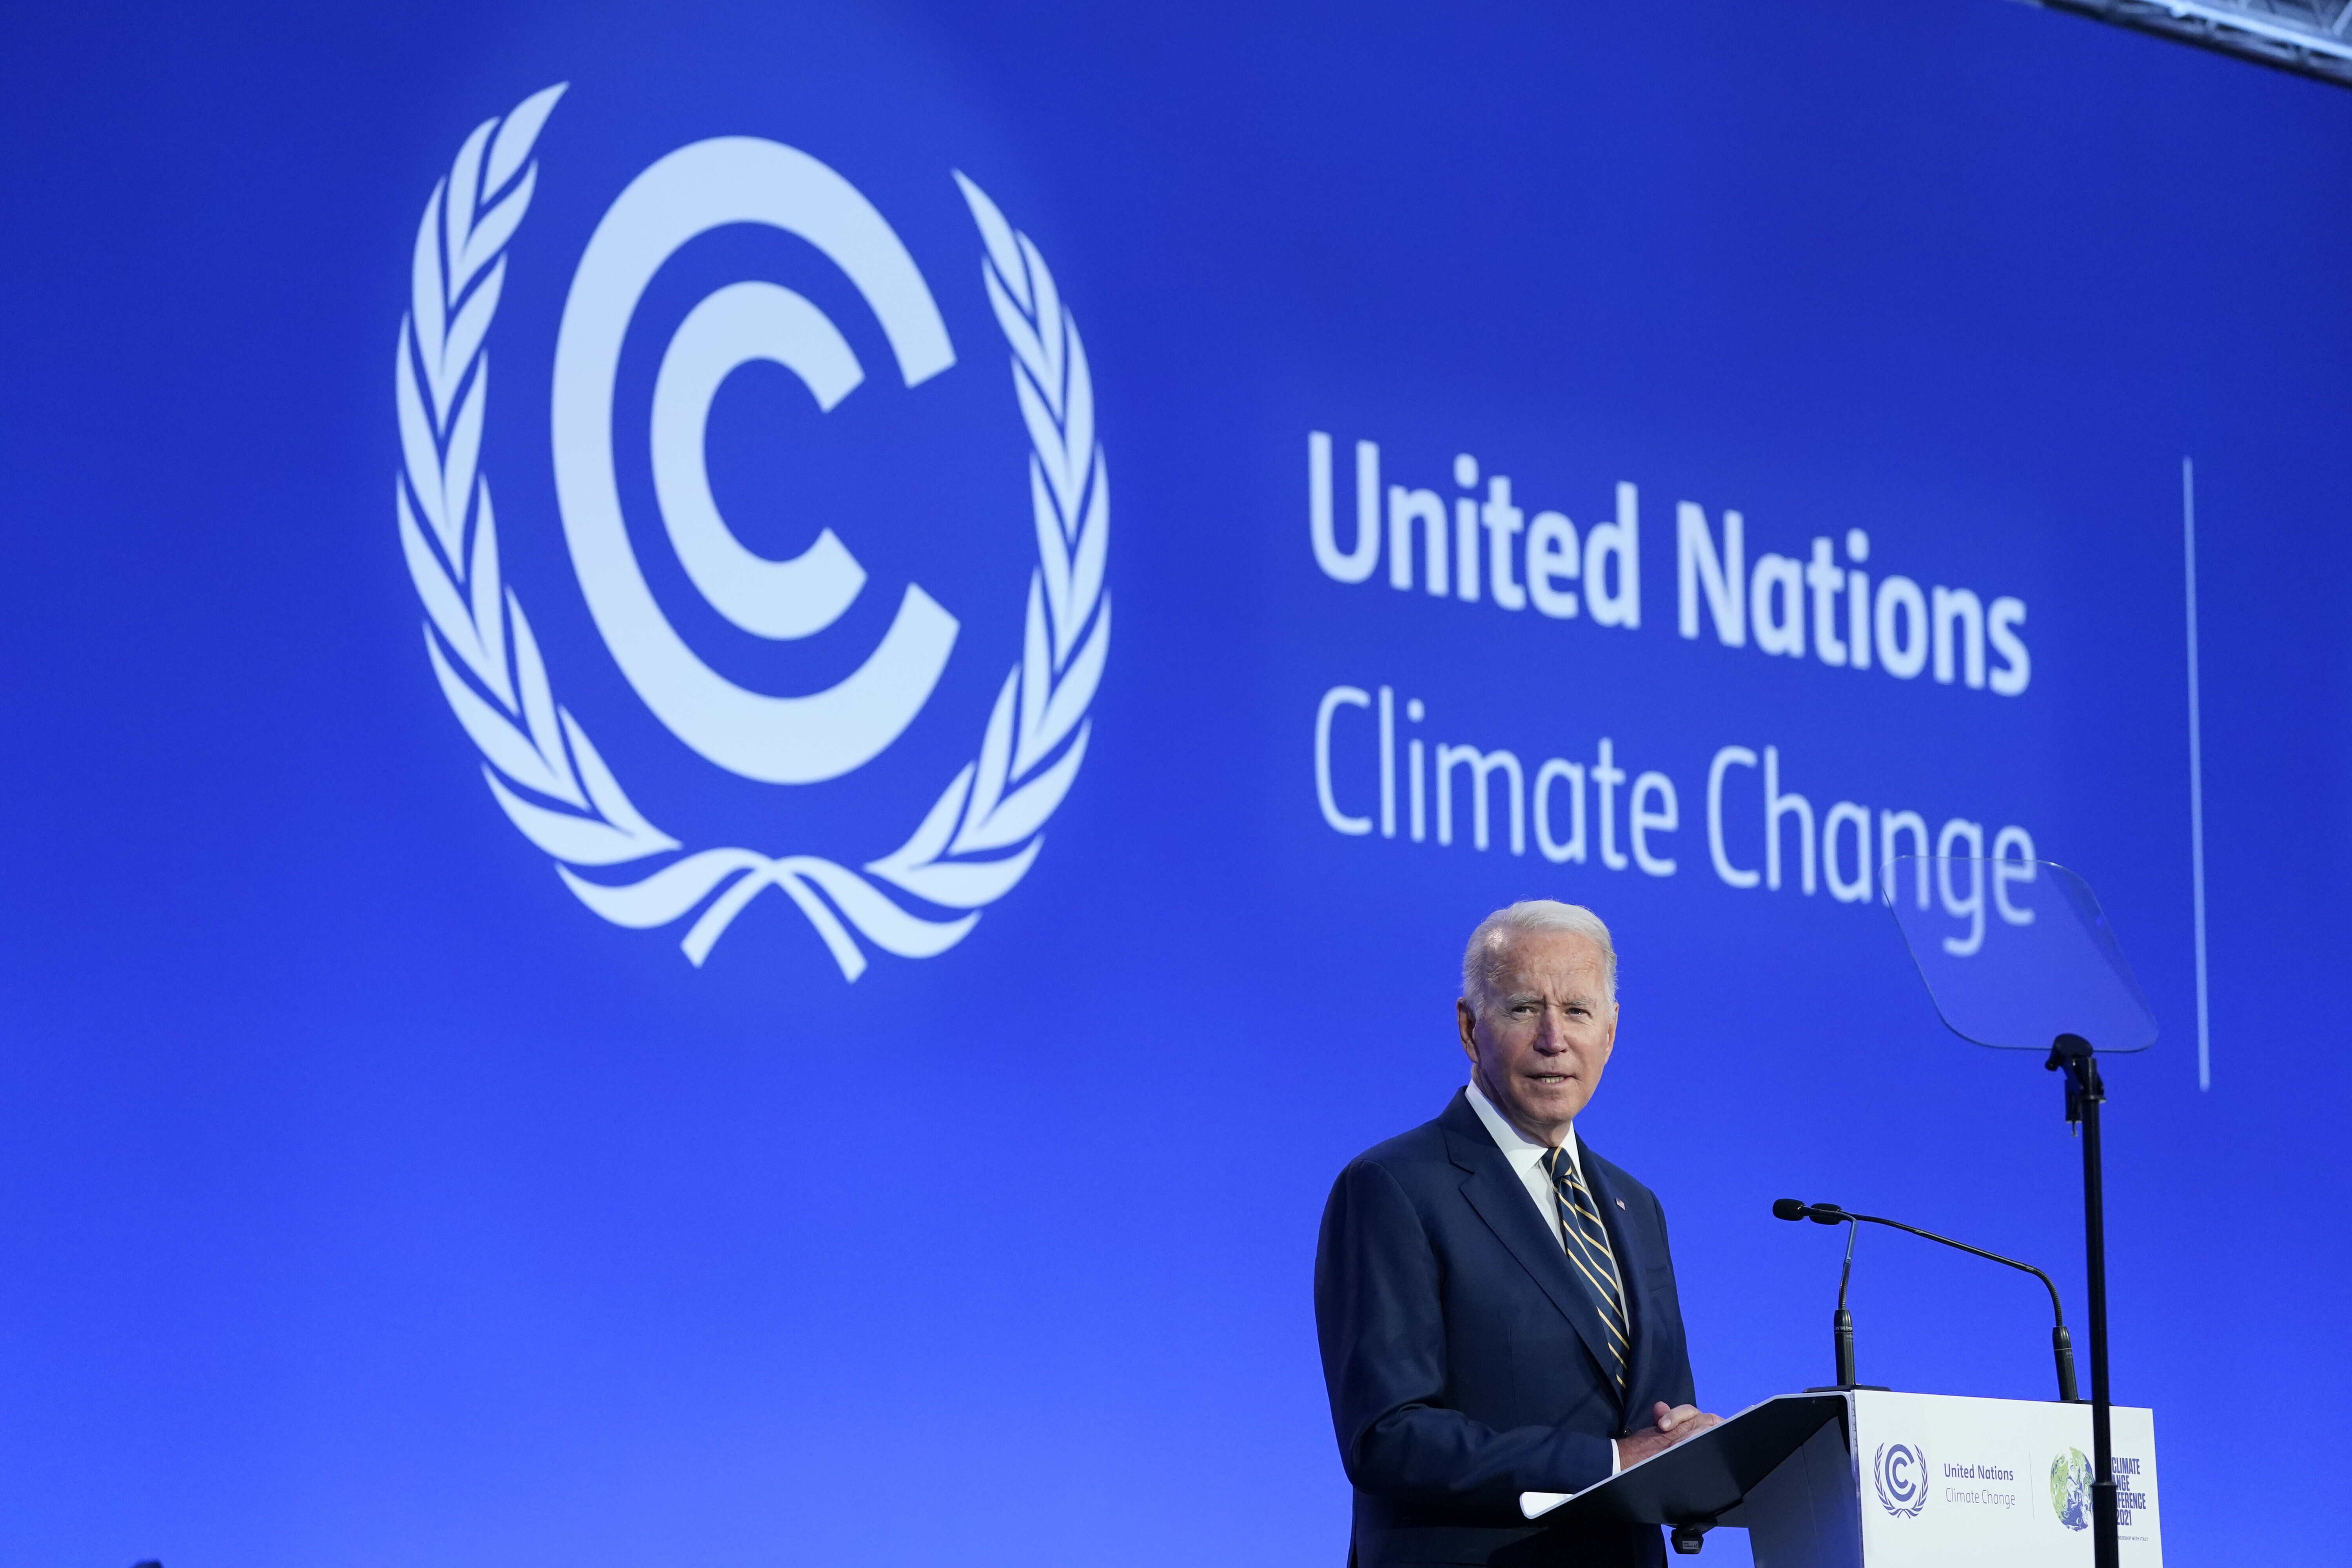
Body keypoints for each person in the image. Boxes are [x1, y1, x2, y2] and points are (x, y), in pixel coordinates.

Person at [1314, 900, 1721, 1567]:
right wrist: (1607, 1461)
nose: (1554, 1039)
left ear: (1611, 1033)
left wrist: (1704, 1457)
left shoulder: (1635, 1205)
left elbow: (1659, 1422)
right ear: (1470, 1029)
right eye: (1525, 1008)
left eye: (1579, 1012)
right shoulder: (1393, 1186)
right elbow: (1387, 1437)